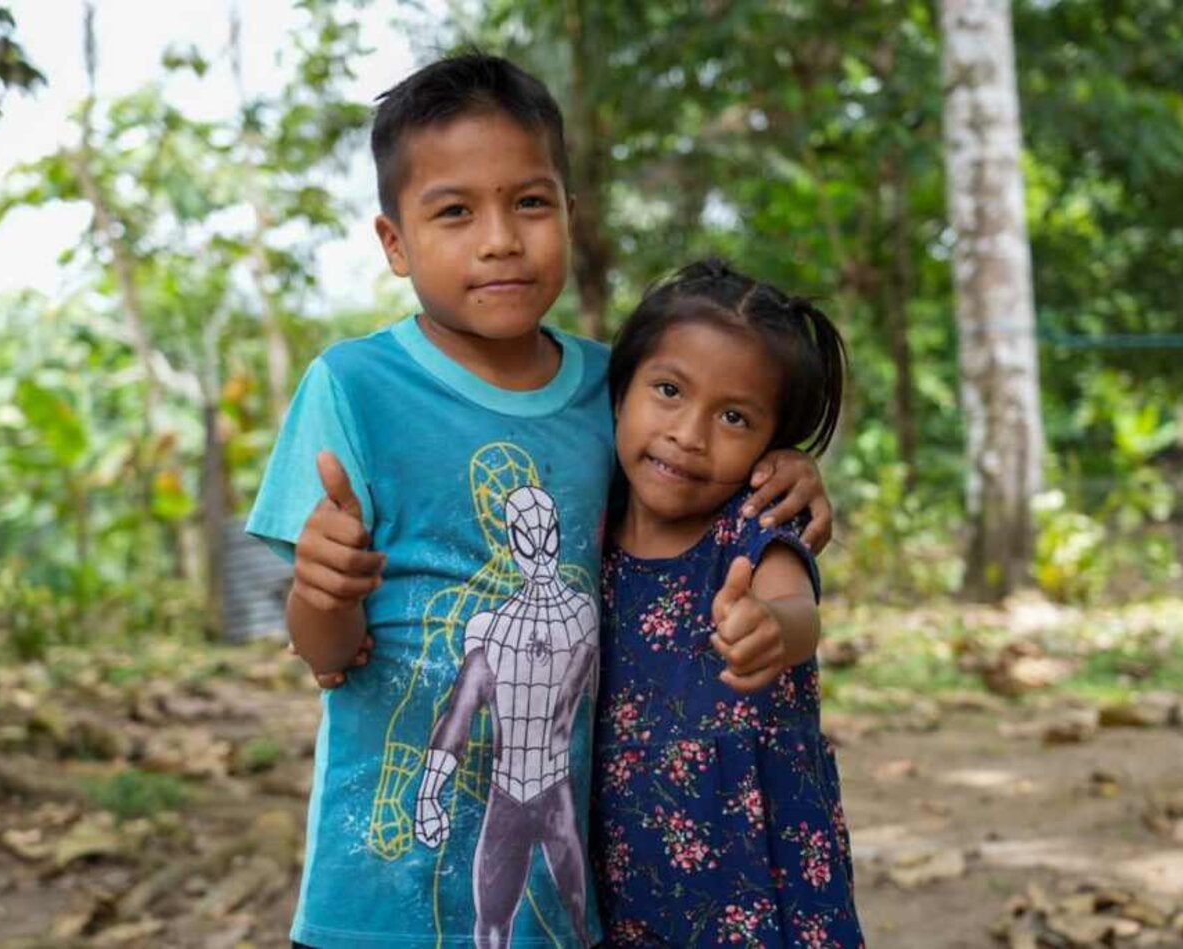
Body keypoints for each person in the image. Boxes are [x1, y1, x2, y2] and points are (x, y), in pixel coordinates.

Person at [245, 55, 832, 949]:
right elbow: (323, 654)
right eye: (454, 211)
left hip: (558, 917)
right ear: (394, 242)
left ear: (568, 212)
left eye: (529, 203)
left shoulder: (615, 391)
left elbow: (701, 465)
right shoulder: (353, 388)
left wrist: (787, 463)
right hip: (370, 896)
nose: (499, 240)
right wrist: (321, 591)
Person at [591, 259, 864, 948]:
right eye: (669, 389)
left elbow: (797, 609)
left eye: (734, 416)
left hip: (759, 877)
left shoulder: (753, 528)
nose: (690, 432)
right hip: (621, 880)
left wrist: (771, 627)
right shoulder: (585, 523)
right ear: (621, 389)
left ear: (771, 448)